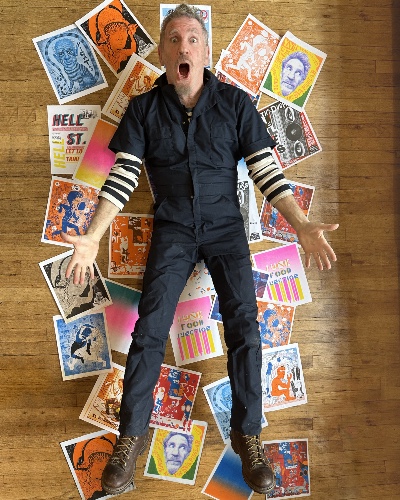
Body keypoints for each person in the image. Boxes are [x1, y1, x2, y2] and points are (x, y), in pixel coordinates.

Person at [61, 4, 338, 495]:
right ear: (165, 53)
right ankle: (128, 442)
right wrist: (95, 232)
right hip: (171, 227)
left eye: (192, 39)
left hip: (226, 227)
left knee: (245, 326)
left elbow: (266, 174)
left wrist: (300, 224)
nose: (183, 46)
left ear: (205, 51)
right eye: (174, 39)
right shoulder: (144, 108)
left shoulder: (236, 104)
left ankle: (249, 437)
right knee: (148, 330)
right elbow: (123, 176)